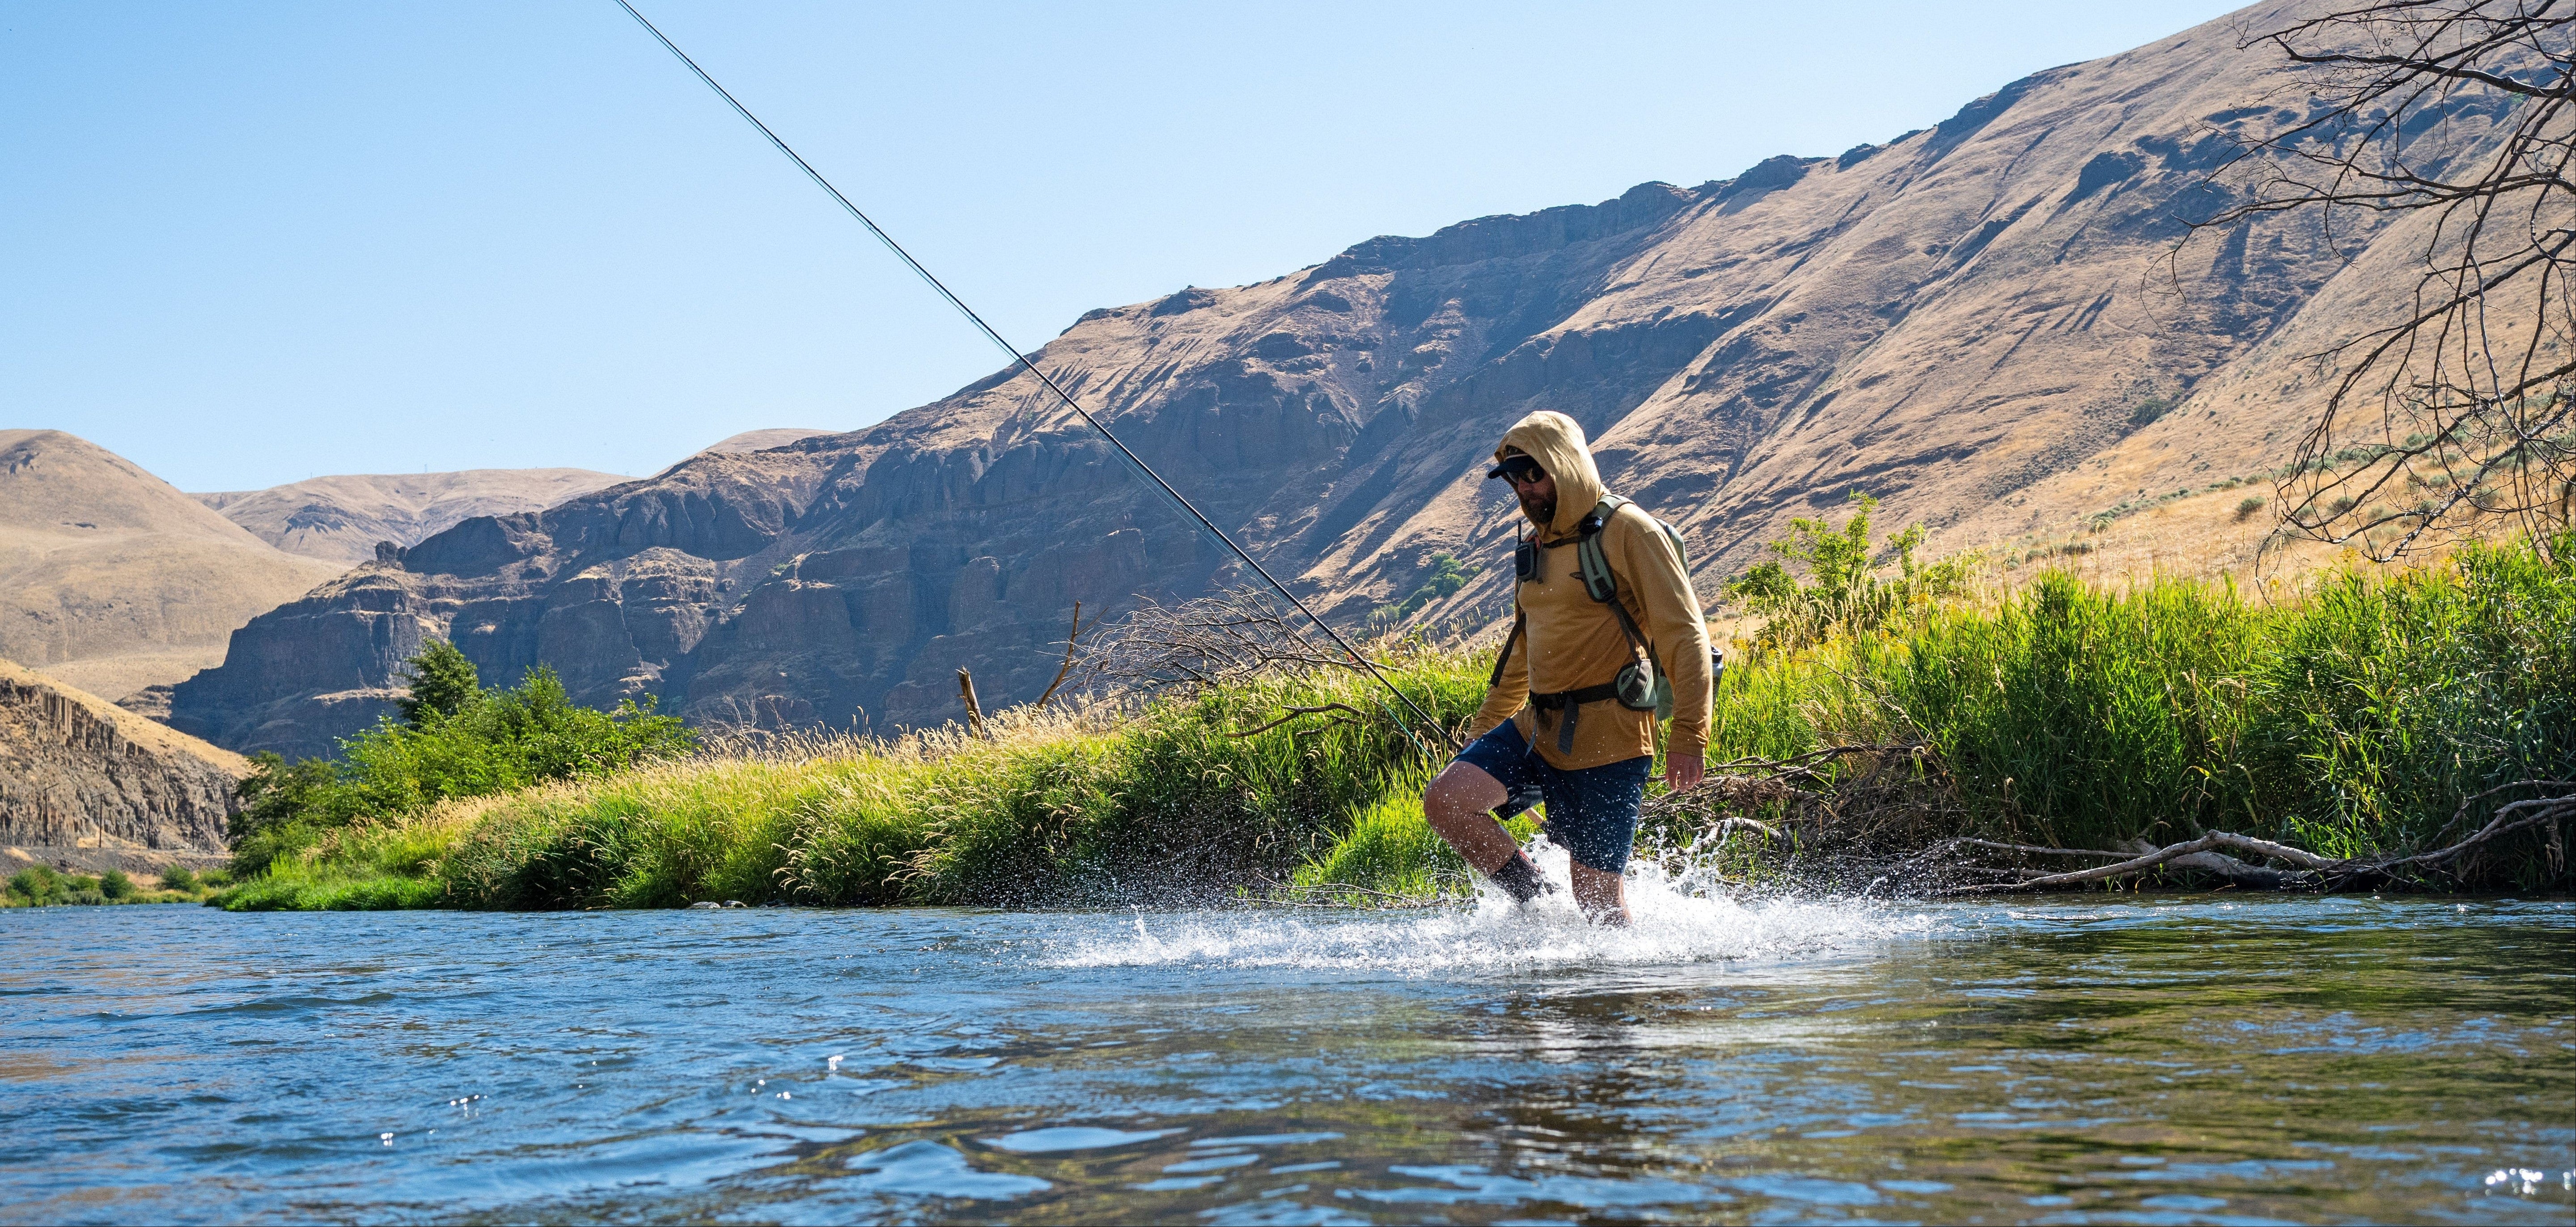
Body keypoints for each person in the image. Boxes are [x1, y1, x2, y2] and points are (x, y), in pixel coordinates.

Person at [1422, 410, 1713, 925]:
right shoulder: (1537, 548)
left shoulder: (1632, 531)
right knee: (1447, 800)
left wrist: (1690, 734)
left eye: (1534, 473)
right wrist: (1483, 734)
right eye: (1514, 478)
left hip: (1613, 740)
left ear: (1568, 464)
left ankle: (1633, 986)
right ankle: (1541, 908)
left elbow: (1684, 634)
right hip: (1539, 730)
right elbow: (1521, 651)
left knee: (1600, 905)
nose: (1525, 489)